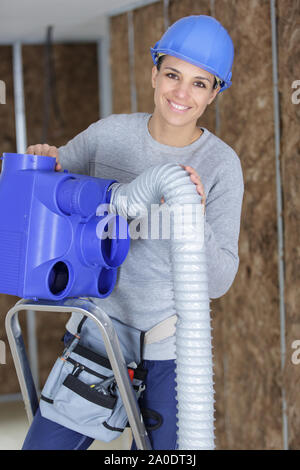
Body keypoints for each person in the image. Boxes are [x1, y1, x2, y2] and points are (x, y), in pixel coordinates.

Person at [22, 15, 244, 450]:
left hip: (171, 351)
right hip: (95, 333)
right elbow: (47, 194)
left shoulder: (221, 166)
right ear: (154, 72)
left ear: (216, 92)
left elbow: (219, 282)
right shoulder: (109, 137)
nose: (182, 93)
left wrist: (192, 217)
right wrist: (43, 162)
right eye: (173, 75)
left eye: (200, 83)